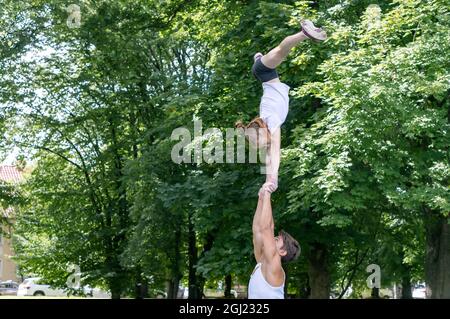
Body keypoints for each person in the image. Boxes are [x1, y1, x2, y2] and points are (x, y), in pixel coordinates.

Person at [236, 20, 327, 193]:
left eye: (257, 141)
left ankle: (304, 33)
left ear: (261, 132)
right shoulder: (267, 125)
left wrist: (273, 180)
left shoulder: (271, 121)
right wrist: (269, 180)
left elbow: (275, 151)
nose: (259, 146)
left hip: (263, 72)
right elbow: (270, 155)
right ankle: (258, 57)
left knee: (281, 51)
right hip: (263, 74)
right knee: (276, 56)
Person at [248, 186, 301, 299]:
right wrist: (261, 199)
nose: (272, 239)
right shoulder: (262, 261)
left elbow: (266, 228)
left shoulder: (274, 266)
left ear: (282, 252)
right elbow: (257, 230)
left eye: (276, 240)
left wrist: (268, 193)